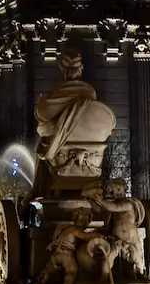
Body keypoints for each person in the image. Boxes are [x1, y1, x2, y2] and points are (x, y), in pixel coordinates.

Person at [21, 49, 97, 208]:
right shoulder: (90, 92)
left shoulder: (56, 94)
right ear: (81, 69)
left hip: (58, 153)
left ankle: (37, 190)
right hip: (92, 156)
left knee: (42, 153)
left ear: (62, 70)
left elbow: (41, 115)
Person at [39, 210, 98, 284]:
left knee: (48, 270)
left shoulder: (64, 227)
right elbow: (86, 236)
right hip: (66, 255)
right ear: (76, 220)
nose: (83, 224)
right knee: (71, 272)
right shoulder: (75, 230)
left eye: (85, 222)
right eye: (81, 221)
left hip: (56, 255)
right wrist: (99, 235)